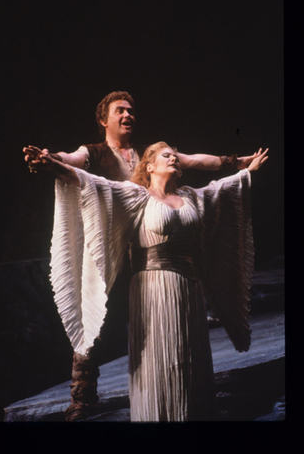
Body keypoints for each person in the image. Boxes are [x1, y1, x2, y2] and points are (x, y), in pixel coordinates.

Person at [23, 91, 264, 421]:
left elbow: (197, 160)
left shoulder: (147, 154)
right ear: (103, 120)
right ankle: (82, 395)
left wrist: (236, 163)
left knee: (144, 325)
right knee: (94, 311)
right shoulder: (93, 152)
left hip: (148, 246)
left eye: (131, 111)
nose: (127, 115)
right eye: (119, 110)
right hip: (108, 240)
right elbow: (75, 163)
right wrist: (51, 159)